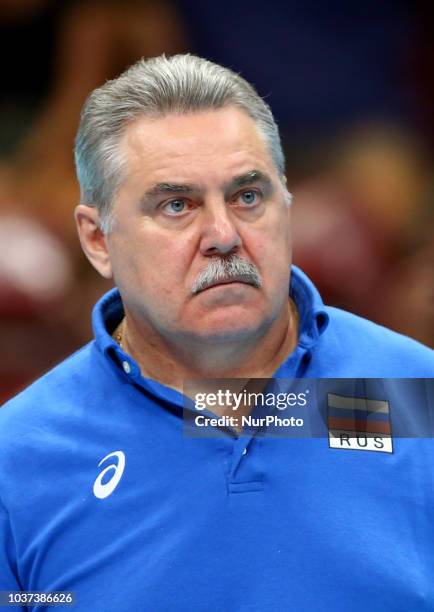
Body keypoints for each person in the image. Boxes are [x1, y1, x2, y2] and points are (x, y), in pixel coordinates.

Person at [0, 54, 433, 611]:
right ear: (98, 240)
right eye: (177, 205)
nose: (223, 235)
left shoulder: (412, 396)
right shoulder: (18, 459)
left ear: (287, 202)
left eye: (247, 196)